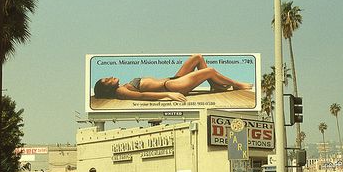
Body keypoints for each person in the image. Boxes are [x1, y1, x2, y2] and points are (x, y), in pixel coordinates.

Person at [93, 54, 253, 102]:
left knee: (197, 57)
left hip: (172, 80)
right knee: (209, 70)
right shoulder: (121, 92)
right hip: (172, 86)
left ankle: (216, 86)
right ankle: (237, 84)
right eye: (108, 80)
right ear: (108, 88)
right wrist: (168, 94)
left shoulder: (123, 87)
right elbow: (142, 96)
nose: (111, 77)